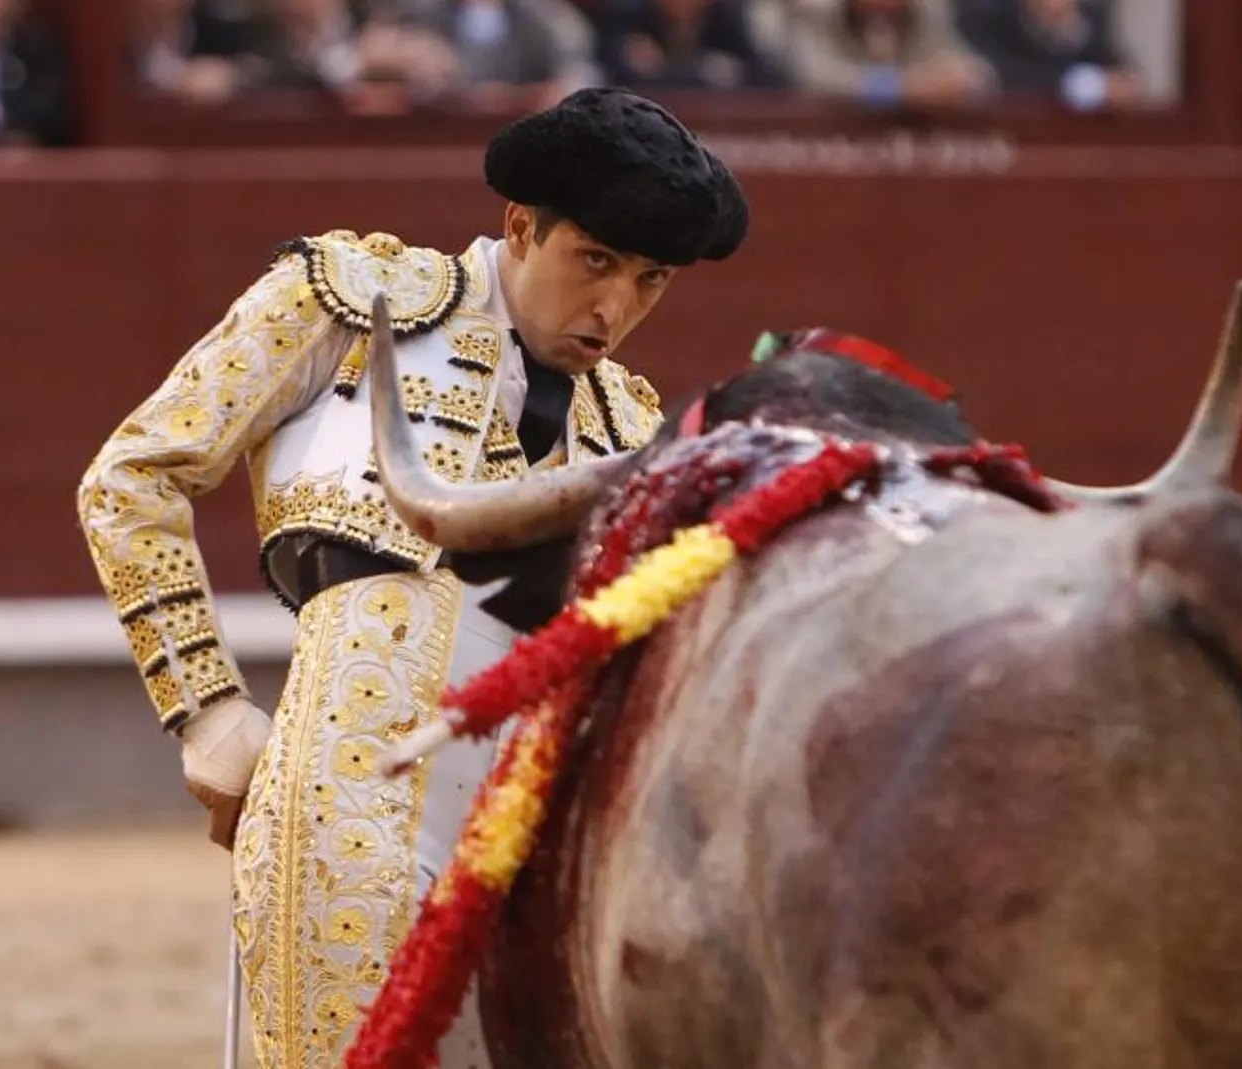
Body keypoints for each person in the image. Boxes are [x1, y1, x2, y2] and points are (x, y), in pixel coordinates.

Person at [74, 86, 748, 1069]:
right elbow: (130, 478)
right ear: (520, 227)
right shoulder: (351, 301)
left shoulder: (631, 427)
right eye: (594, 261)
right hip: (352, 795)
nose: (616, 307)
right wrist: (206, 704)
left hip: (546, 829)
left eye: (651, 279)